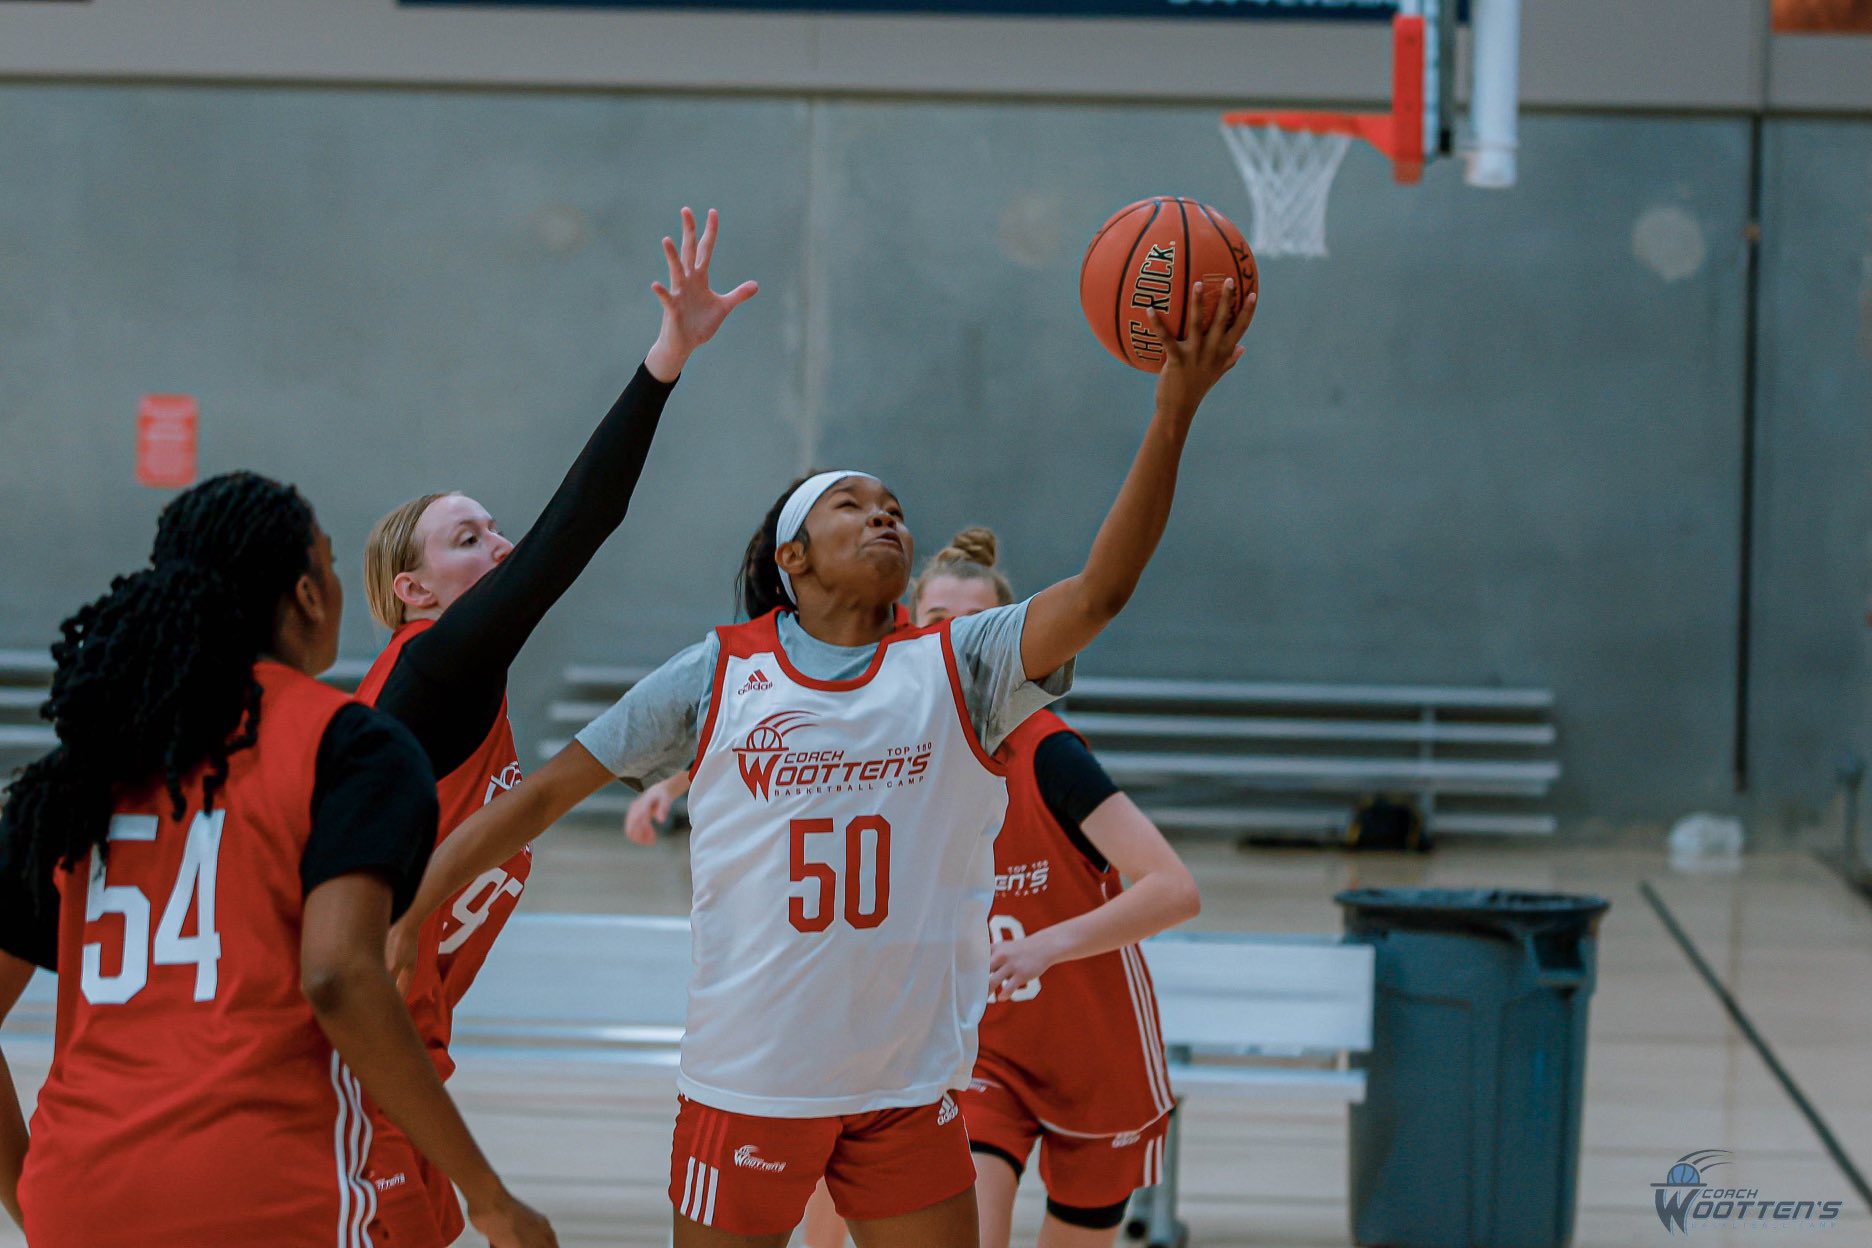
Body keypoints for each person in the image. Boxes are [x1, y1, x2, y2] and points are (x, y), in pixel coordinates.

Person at [389, 282, 1253, 1248]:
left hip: (906, 1085)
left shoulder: (960, 664)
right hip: (747, 1085)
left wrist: (1174, 411)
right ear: (793, 557)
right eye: (853, 506)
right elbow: (541, 797)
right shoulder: (719, 670)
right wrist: (413, 909)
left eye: (893, 509)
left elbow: (1102, 593)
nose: (885, 517)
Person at [0, 472, 554, 1248]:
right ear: (307, 594)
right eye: (327, 562)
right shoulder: (347, 744)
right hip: (262, 1189)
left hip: (78, 1194)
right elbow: (337, 975)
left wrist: (34, 1196)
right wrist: (490, 1197)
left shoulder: (77, 776)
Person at [356, 206, 755, 1246]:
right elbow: (580, 522)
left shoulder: (458, 698)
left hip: (404, 1059)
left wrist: (671, 780)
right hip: (349, 1059)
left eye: (496, 529)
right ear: (412, 590)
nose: (501, 545)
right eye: (467, 538)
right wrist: (666, 359)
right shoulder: (431, 669)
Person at [635, 529, 1201, 1248]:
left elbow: (1175, 889)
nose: (956, 642)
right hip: (978, 1045)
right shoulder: (884, 728)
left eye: (977, 626)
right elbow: (778, 720)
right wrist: (675, 777)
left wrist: (1043, 947)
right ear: (907, 628)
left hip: (1089, 1047)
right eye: (937, 622)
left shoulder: (1049, 754)